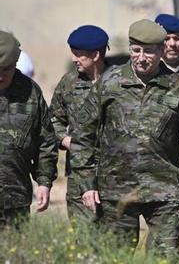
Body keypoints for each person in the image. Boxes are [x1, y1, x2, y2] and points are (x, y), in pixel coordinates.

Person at [72, 19, 179, 258]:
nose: (141, 58)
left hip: (164, 192)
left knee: (165, 258)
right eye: (136, 50)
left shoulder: (178, 88)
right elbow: (83, 134)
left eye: (148, 52)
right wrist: (86, 183)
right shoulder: (110, 82)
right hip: (116, 191)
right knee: (115, 257)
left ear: (161, 51)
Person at [50, 24, 110, 224]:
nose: (74, 59)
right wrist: (65, 140)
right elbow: (52, 120)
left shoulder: (119, 81)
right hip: (79, 175)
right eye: (73, 53)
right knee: (84, 235)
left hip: (115, 173)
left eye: (79, 54)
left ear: (96, 55)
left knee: (117, 237)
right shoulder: (69, 83)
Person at [0, 31, 57, 227]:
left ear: (16, 62)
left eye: (6, 69)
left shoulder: (30, 92)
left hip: (15, 200)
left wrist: (44, 182)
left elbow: (45, 142)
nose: (0, 76)